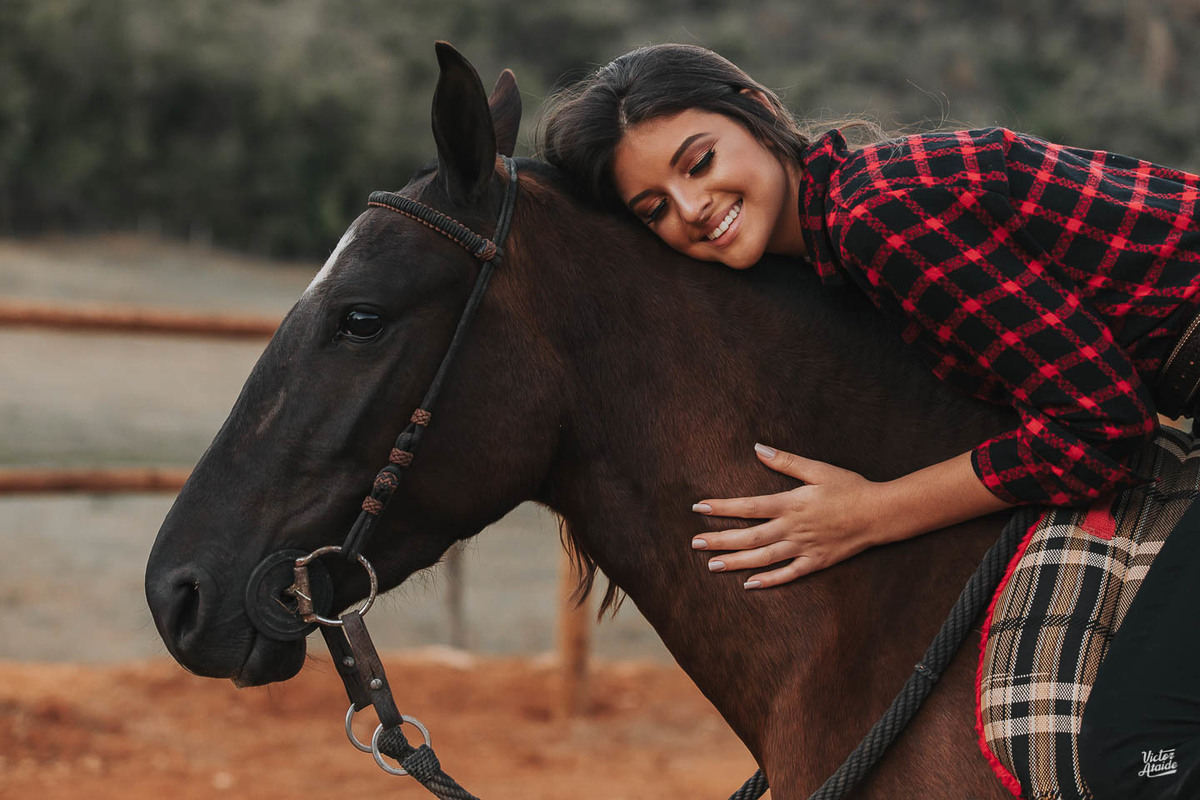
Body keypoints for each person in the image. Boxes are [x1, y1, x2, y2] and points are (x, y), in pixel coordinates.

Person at [538, 43, 1200, 799]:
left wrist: (872, 512)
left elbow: (1103, 429)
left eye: (698, 162)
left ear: (755, 110)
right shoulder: (855, 229)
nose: (691, 207)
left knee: (1143, 749)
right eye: (654, 208)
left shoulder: (877, 215)